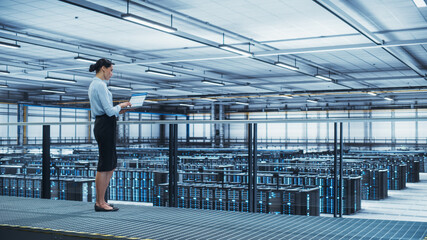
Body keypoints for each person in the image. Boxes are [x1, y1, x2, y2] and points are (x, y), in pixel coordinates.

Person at [88, 58, 131, 211]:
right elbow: (108, 111)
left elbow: (110, 111)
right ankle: (100, 202)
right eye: (111, 70)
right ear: (103, 69)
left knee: (111, 165)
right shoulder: (99, 85)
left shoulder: (98, 85)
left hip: (106, 124)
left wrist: (119, 110)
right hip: (104, 125)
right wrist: (121, 105)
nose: (112, 73)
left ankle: (102, 201)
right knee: (104, 165)